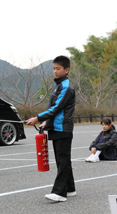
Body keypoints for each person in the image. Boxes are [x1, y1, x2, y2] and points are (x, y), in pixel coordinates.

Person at [26, 56, 76, 202]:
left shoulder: (66, 87)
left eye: (58, 69)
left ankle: (60, 193)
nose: (55, 71)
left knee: (63, 160)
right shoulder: (57, 85)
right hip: (55, 127)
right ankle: (70, 188)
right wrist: (46, 122)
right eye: (54, 68)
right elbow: (53, 109)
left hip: (63, 128)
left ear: (66, 70)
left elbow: (57, 107)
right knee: (62, 160)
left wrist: (38, 118)